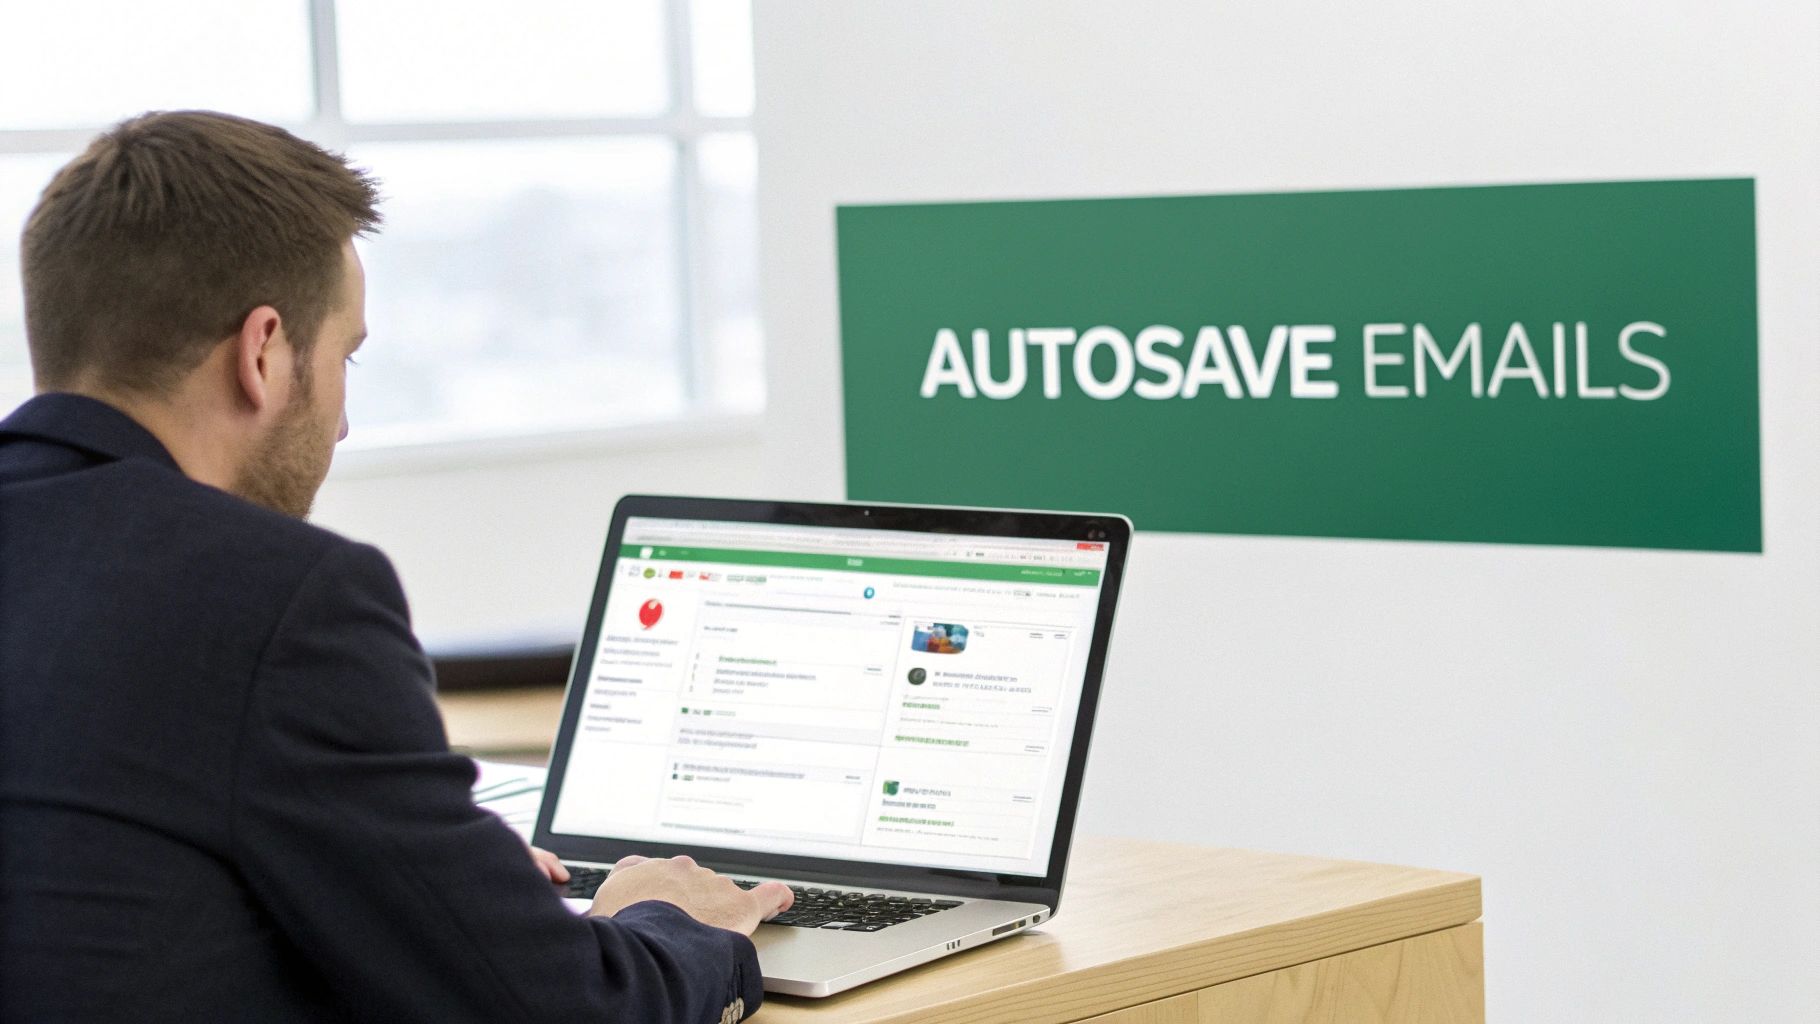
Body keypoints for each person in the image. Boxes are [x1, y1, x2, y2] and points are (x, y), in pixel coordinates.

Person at [0, 110, 791, 1023]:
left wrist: (440, 883)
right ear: (262, 353)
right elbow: (567, 1012)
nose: (340, 423)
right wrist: (672, 922)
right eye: (345, 356)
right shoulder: (280, 601)